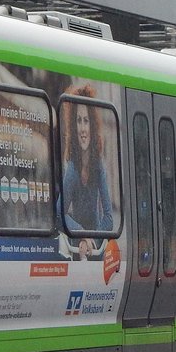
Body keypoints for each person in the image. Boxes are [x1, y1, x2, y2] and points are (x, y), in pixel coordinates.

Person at [60, 85, 113, 259]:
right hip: (78, 245)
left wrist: (92, 239)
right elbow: (59, 213)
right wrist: (81, 234)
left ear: (93, 125)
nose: (83, 129)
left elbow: (109, 218)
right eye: (78, 120)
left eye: (86, 121)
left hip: (96, 246)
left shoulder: (99, 167)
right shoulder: (72, 169)